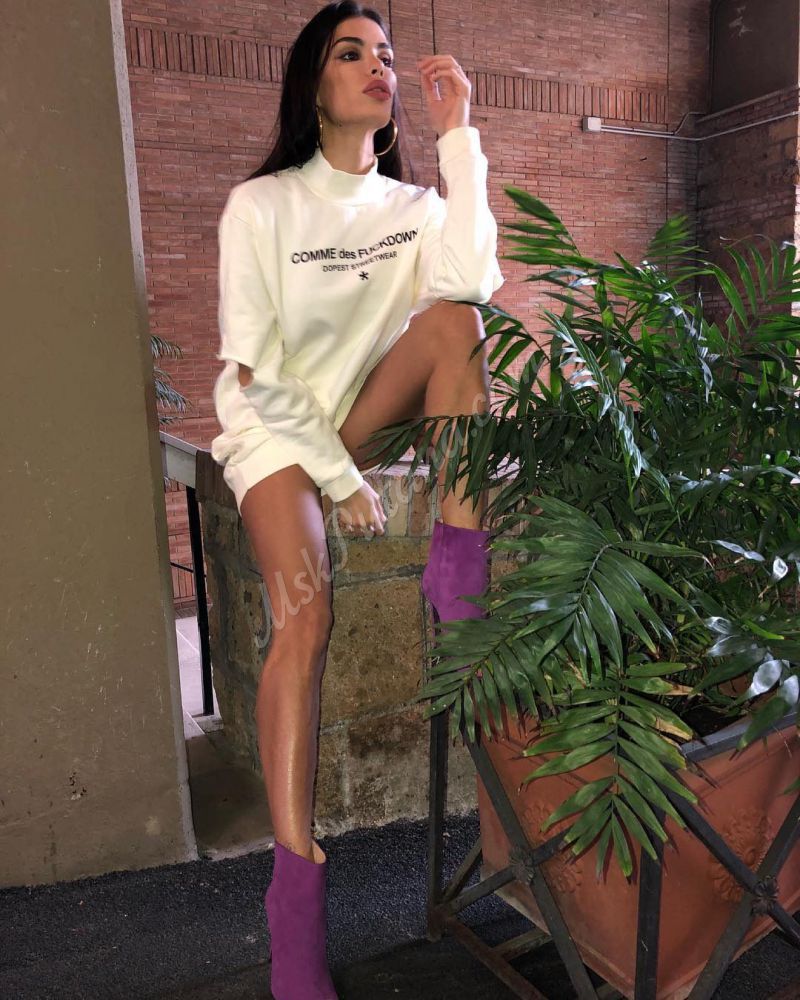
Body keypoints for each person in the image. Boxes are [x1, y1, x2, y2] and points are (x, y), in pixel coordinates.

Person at [209, 2, 504, 996]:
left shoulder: (410, 207)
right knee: (305, 613)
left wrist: (459, 135)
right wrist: (338, 481)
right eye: (352, 53)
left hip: (354, 419)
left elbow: (473, 281)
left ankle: (457, 579)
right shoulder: (261, 206)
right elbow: (255, 373)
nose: (378, 66)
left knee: (456, 324)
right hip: (275, 435)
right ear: (314, 85)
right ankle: (294, 902)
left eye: (385, 53)